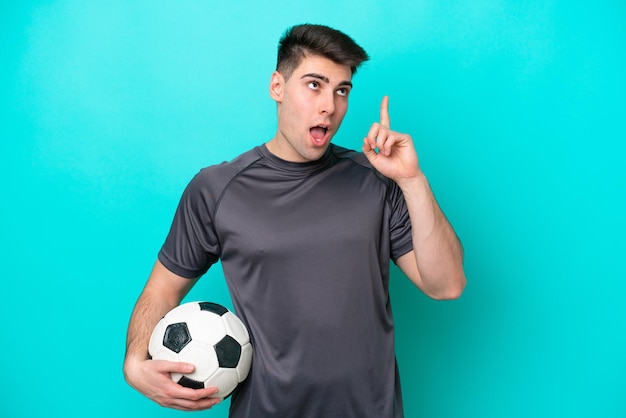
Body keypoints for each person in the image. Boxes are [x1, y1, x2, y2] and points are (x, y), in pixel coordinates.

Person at [124, 23, 465, 418]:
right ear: (277, 87)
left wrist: (411, 180)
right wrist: (135, 363)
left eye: (342, 90)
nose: (329, 106)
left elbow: (447, 285)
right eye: (314, 85)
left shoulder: (375, 180)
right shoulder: (217, 189)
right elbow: (162, 290)